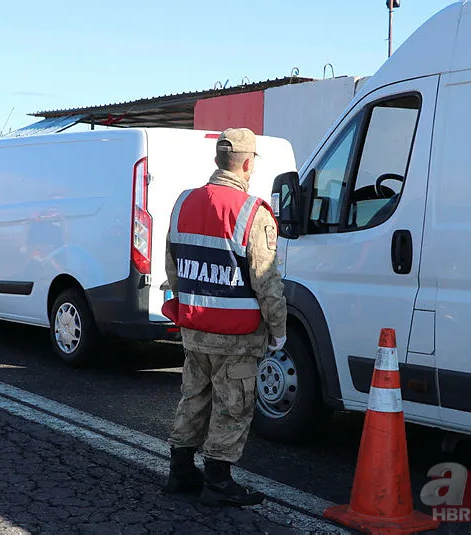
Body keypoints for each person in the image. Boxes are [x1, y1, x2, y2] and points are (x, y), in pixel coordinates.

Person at [162, 128, 288, 507]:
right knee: (234, 404)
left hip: (195, 327)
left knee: (194, 397)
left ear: (218, 160)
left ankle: (180, 470)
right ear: (248, 164)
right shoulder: (252, 212)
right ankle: (217, 480)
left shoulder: (183, 202)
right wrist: (279, 330)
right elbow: (267, 282)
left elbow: (173, 266)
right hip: (237, 335)